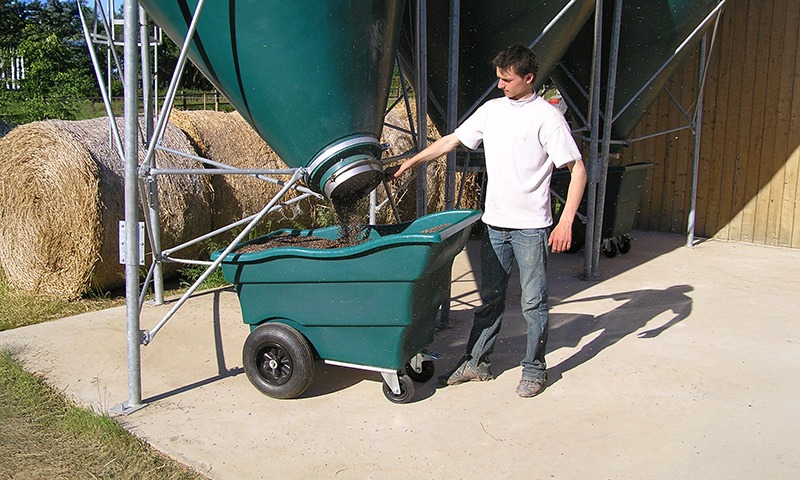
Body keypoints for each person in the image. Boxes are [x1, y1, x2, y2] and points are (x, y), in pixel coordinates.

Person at [388, 44, 587, 398]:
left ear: (528, 78)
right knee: (490, 299)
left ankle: (534, 369)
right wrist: (412, 162)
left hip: (530, 228)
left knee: (534, 303)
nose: (500, 86)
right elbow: (450, 140)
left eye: (507, 80)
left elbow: (578, 170)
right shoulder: (492, 111)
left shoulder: (547, 117)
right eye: (498, 78)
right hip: (495, 225)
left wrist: (566, 219)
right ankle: (477, 363)